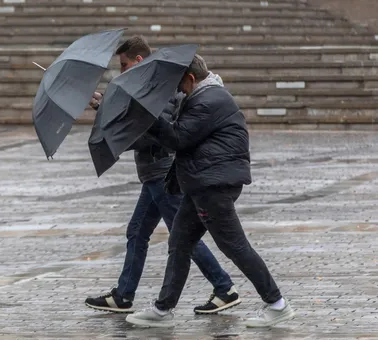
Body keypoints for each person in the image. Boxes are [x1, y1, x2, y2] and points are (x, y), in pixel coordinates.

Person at [125, 54, 295, 328]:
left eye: (180, 83)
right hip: (201, 184)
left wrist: (148, 116)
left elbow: (178, 138)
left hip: (213, 186)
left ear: (191, 78)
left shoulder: (208, 101)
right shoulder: (202, 96)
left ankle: (277, 303)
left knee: (235, 247)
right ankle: (163, 309)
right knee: (179, 243)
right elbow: (176, 126)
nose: (177, 89)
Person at [85, 36, 241, 315]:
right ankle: (123, 295)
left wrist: (118, 132)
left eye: (123, 65)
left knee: (182, 237)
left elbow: (159, 135)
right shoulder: (146, 88)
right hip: (153, 174)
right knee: (137, 231)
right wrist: (103, 109)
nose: (121, 71)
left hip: (161, 174)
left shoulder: (160, 89)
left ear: (138, 61)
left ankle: (223, 287)